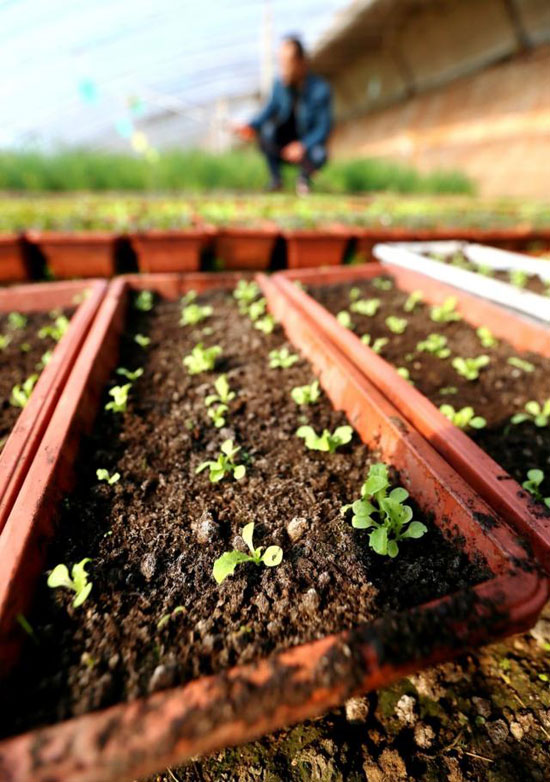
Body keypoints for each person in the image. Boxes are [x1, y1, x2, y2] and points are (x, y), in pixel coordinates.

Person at [235, 36, 332, 195]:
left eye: (289, 62)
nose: (284, 67)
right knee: (267, 132)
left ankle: (304, 180)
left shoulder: (320, 89)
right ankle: (276, 180)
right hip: (283, 146)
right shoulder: (279, 86)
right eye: (281, 62)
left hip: (307, 147)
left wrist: (302, 146)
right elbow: (267, 112)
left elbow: (324, 127)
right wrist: (250, 125)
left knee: (320, 154)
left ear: (302, 62)